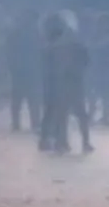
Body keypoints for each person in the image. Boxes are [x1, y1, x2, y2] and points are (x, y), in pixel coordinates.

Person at [39, 13, 93, 154]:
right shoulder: (75, 45)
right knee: (78, 115)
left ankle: (62, 142)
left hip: (62, 85)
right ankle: (83, 143)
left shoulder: (52, 47)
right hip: (72, 83)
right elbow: (87, 61)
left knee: (63, 115)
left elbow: (47, 66)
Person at [6, 9, 42, 132]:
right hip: (30, 70)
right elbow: (41, 51)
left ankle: (17, 124)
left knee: (18, 99)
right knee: (32, 99)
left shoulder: (15, 32)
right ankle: (34, 123)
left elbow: (8, 52)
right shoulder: (36, 33)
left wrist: (11, 67)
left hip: (20, 70)